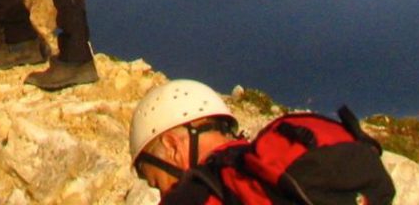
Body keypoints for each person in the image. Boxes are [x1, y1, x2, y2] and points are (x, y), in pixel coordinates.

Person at [128, 80, 397, 205]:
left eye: (158, 182)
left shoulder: (196, 195)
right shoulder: (271, 169)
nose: (163, 195)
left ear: (173, 145)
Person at [128, 79, 243, 197]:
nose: (163, 198)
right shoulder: (252, 169)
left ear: (172, 147)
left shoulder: (199, 198)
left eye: (158, 184)